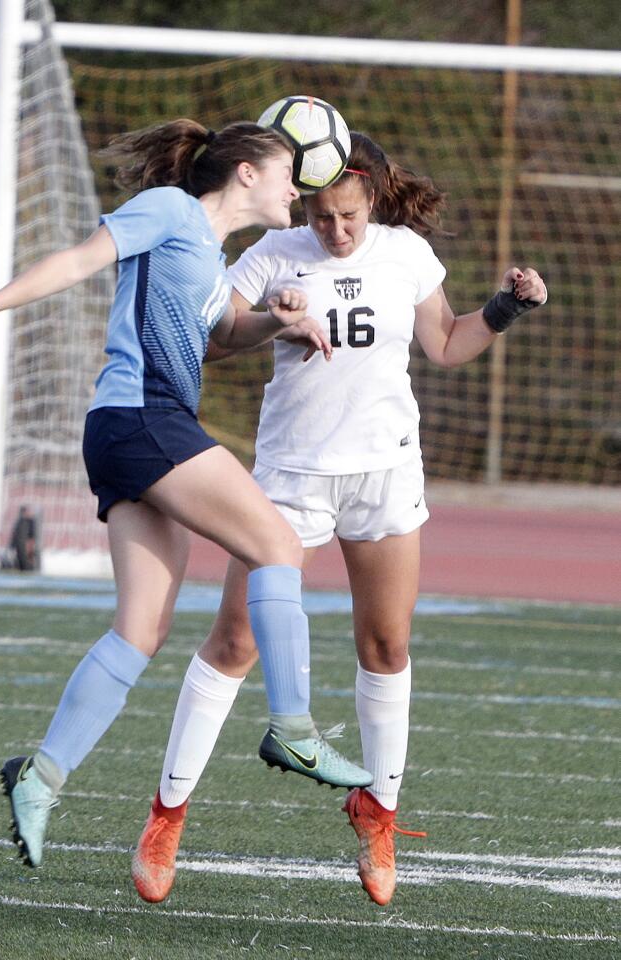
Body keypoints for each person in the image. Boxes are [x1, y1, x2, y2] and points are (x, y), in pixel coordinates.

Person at [0, 119, 374, 870]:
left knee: (142, 627)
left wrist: (279, 323)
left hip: (128, 428)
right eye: (285, 177)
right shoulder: (172, 209)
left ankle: (39, 776)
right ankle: (294, 727)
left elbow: (221, 333)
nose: (295, 191)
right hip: (142, 418)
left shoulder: (210, 252)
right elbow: (79, 260)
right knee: (274, 543)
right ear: (244, 173)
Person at [133, 131, 548, 905]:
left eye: (349, 216)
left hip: (385, 472)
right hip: (292, 478)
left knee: (386, 644)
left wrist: (507, 306)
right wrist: (271, 321)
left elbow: (449, 344)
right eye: (322, 217)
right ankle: (166, 816)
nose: (337, 231)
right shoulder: (272, 251)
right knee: (233, 642)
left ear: (373, 200)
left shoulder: (403, 253)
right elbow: (210, 337)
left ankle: (378, 814)